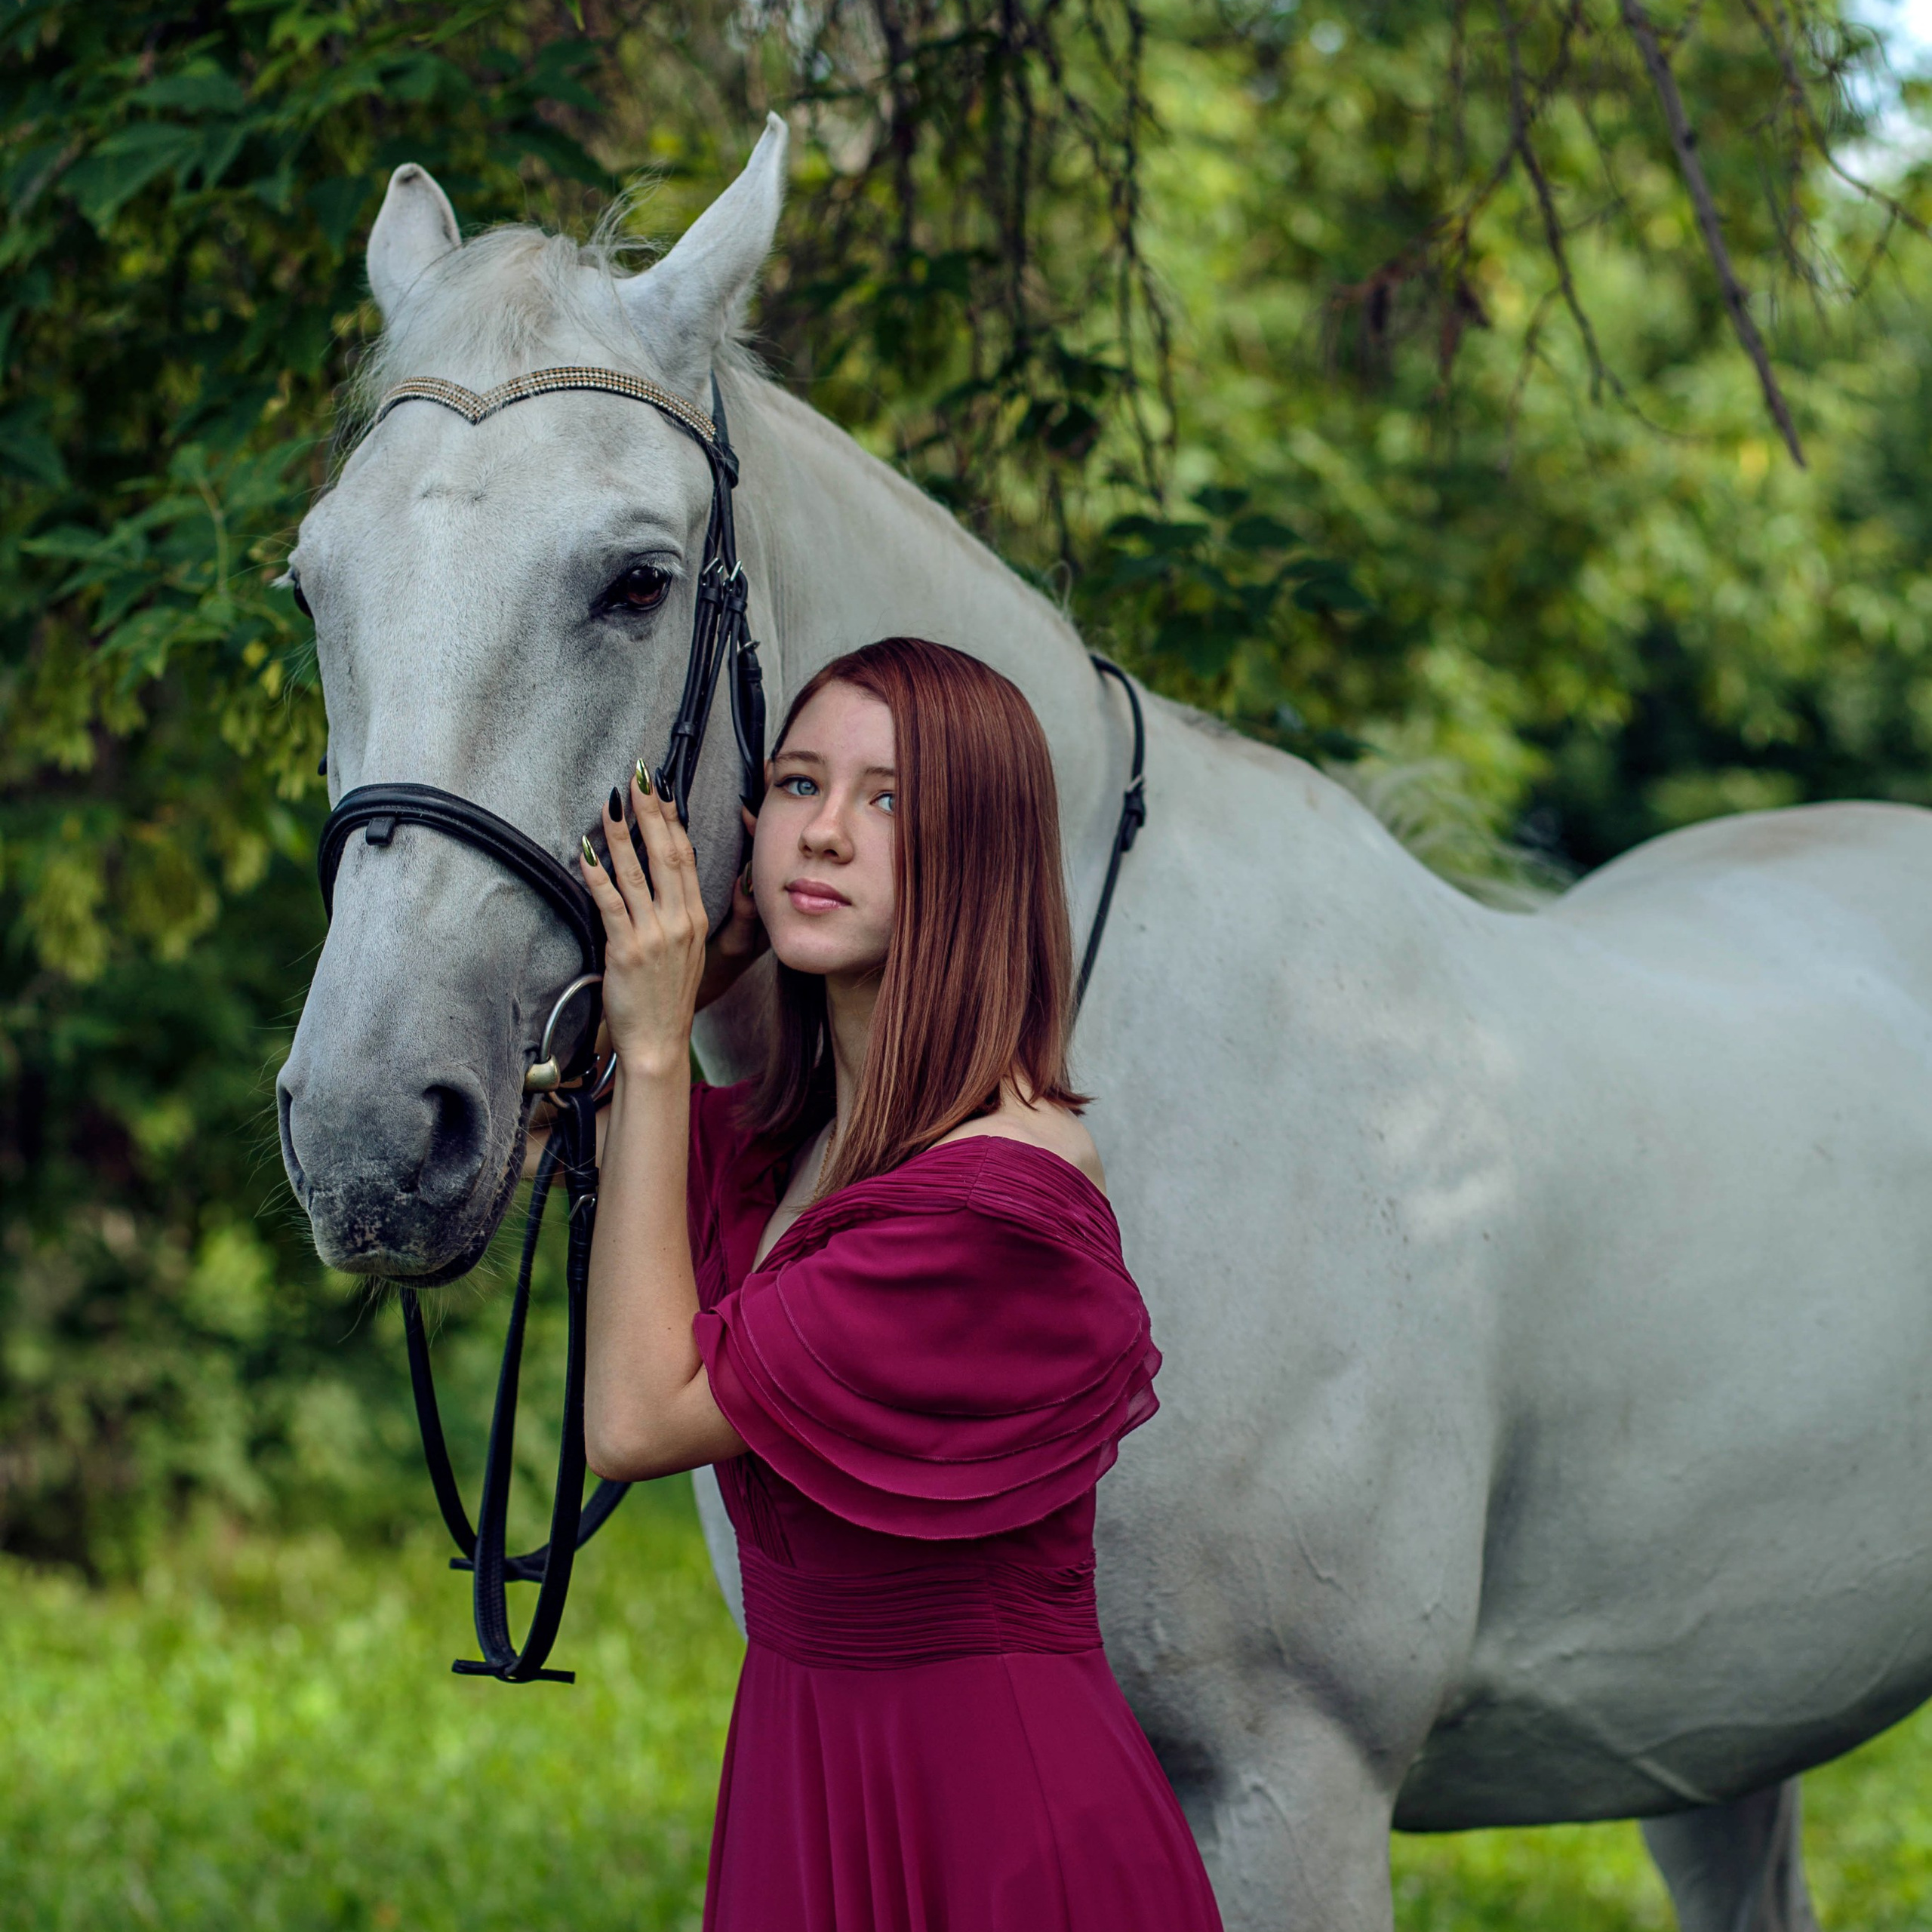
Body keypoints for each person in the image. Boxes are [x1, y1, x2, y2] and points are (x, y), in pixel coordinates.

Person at [571, 636, 1223, 1932]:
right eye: (799, 786)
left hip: (1000, 1829)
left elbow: (635, 1423)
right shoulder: (788, 1153)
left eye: (888, 800)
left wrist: (657, 1046)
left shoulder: (996, 1197)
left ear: (975, 856)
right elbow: (545, 1122)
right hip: (801, 1780)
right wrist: (710, 973)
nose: (823, 833)